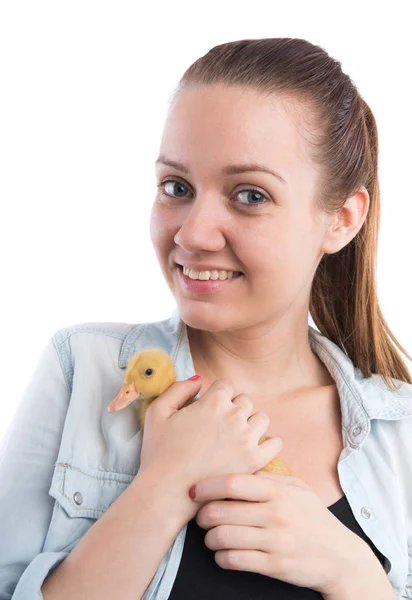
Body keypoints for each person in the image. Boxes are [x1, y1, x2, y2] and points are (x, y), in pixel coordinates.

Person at [1, 37, 411, 600]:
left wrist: (356, 576)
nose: (192, 233)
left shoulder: (401, 432)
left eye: (249, 195)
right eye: (177, 187)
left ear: (340, 220)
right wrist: (164, 486)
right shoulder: (83, 371)